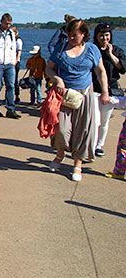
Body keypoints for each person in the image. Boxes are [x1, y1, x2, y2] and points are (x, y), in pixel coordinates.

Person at [46, 18, 109, 182]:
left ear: (83, 35)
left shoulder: (92, 50)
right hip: (64, 94)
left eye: (74, 35)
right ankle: (60, 154)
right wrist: (57, 79)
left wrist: (104, 92)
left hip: (84, 94)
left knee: (83, 130)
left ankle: (77, 164)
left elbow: (100, 71)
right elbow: (49, 68)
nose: (71, 38)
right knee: (61, 128)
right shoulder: (60, 49)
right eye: (69, 35)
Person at [92, 22, 126, 157]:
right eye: (101, 35)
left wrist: (110, 54)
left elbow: (122, 68)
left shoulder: (116, 50)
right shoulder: (92, 49)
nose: (104, 38)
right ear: (97, 36)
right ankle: (91, 145)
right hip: (94, 89)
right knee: (95, 120)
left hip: (111, 91)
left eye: (107, 35)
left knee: (104, 120)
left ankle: (99, 145)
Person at [11, 26, 23, 104]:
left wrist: (16, 60)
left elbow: (19, 52)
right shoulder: (10, 40)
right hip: (9, 62)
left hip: (15, 62)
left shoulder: (18, 40)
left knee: (15, 80)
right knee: (9, 81)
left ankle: (17, 96)